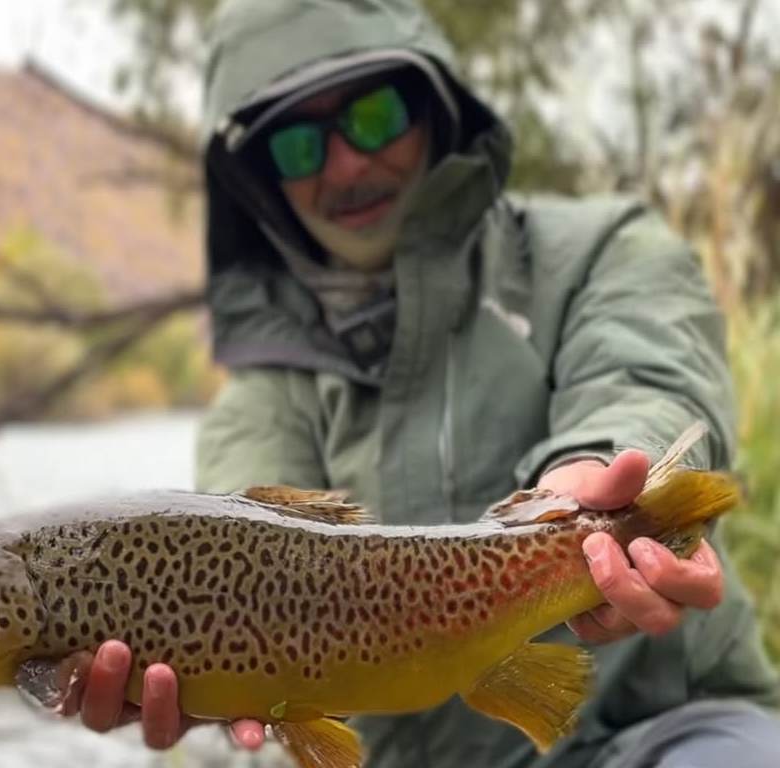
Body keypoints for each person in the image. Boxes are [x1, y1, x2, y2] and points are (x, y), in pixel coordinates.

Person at [59, 1, 780, 766]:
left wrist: (599, 484)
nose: (343, 164)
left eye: (371, 114)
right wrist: (213, 682)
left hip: (656, 731)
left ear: (434, 106)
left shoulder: (602, 249)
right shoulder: (261, 401)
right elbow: (241, 583)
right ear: (261, 180)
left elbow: (645, 377)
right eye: (298, 144)